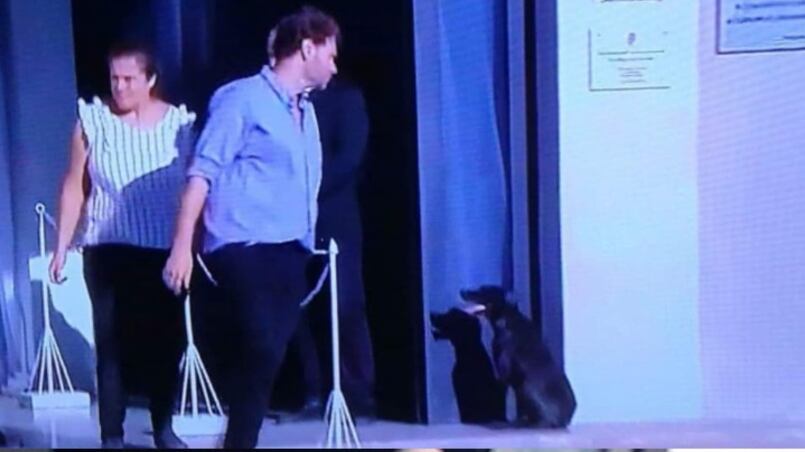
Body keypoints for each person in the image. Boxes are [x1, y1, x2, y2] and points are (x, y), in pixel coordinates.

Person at [162, 6, 340, 448]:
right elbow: (201, 172)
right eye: (330, 55)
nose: (335, 66)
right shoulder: (241, 98)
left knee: (268, 357)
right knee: (260, 343)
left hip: (291, 248)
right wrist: (182, 246)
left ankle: (239, 443)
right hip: (244, 246)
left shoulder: (306, 112)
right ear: (307, 48)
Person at [49, 41, 194, 449]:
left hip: (163, 250)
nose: (120, 87)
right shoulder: (93, 122)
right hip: (108, 247)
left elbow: (194, 187)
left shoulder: (180, 125)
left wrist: (189, 245)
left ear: (150, 80)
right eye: (115, 78)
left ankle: (163, 427)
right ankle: (112, 434)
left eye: (129, 79)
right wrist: (61, 246)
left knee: (166, 341)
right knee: (111, 342)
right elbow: (74, 185)